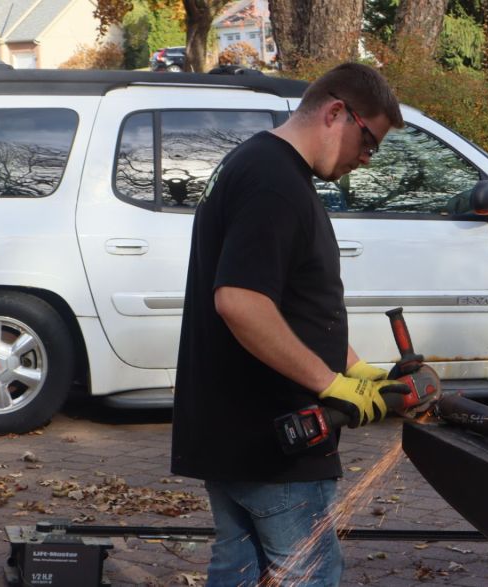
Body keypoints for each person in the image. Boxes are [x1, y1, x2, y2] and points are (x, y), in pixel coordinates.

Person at [171, 62, 407, 586]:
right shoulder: (275, 185)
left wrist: (357, 368)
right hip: (273, 437)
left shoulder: (259, 165)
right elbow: (241, 303)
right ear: (336, 113)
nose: (366, 160)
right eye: (368, 143)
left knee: (240, 568)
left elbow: (294, 302)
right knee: (311, 575)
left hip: (234, 430)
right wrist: (331, 384)